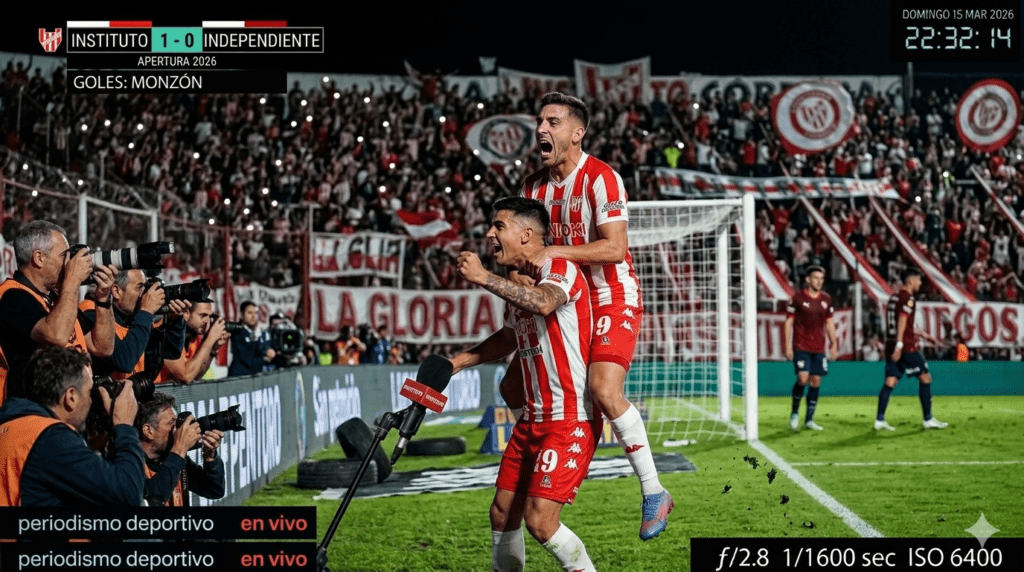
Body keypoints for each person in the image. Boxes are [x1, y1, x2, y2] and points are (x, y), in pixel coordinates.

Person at [514, 92, 671, 540]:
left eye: (553, 122)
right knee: (519, 390)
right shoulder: (531, 189)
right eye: (540, 121)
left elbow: (615, 248)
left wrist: (553, 252)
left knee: (603, 389)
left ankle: (654, 491)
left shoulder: (602, 178)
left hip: (609, 295)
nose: (542, 129)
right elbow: (524, 250)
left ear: (577, 132)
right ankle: (540, 475)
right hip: (562, 301)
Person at [450, 197, 600, 572]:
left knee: (541, 521)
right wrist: (459, 362)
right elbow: (508, 337)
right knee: (502, 514)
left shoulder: (560, 267)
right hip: (532, 421)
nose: (490, 234)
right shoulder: (517, 286)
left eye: (499, 226)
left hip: (569, 418)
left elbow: (545, 303)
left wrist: (484, 277)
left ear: (526, 234)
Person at [0, 346, 144, 506]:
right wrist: (124, 426)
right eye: (89, 392)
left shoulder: (14, 423)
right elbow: (128, 495)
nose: (91, 400)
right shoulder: (50, 439)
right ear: (71, 397)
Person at [0, 220, 118, 402]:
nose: (69, 263)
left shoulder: (56, 299)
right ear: (39, 258)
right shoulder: (11, 295)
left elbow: (103, 347)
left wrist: (103, 300)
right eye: (64, 255)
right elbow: (57, 335)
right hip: (33, 410)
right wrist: (72, 281)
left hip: (69, 405)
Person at [80, 269, 190, 379]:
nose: (145, 294)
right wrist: (145, 312)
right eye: (139, 287)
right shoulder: (91, 311)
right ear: (116, 291)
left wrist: (174, 321)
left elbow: (169, 354)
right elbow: (123, 361)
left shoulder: (132, 316)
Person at [875, 268, 948, 431]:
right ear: (910, 280)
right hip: (905, 346)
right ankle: (928, 419)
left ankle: (879, 420)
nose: (920, 283)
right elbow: (902, 321)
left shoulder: (894, 297)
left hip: (891, 344)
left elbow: (905, 324)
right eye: (918, 279)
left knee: (890, 381)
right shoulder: (908, 298)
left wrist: (926, 335)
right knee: (926, 378)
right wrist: (900, 346)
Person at [135, 392, 225, 506]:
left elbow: (214, 490)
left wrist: (209, 457)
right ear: (149, 431)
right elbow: (152, 498)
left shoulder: (171, 457)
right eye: (171, 423)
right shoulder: (130, 462)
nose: (178, 430)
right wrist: (179, 449)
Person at [783, 265, 838, 431]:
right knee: (802, 378)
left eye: (821, 279)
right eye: (816, 278)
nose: (819, 281)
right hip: (801, 345)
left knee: (816, 380)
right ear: (808, 280)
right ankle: (794, 414)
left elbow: (829, 323)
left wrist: (834, 343)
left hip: (819, 347)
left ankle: (809, 420)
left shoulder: (826, 299)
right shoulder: (797, 298)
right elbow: (789, 322)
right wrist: (787, 345)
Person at [157, 302, 229, 384]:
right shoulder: (169, 334)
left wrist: (213, 349)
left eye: (209, 316)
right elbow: (187, 376)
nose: (207, 321)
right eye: (202, 315)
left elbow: (196, 375)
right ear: (186, 314)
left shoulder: (193, 337)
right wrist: (210, 339)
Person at [228, 301, 274, 376]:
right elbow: (247, 355)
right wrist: (265, 351)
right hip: (239, 378)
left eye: (256, 313)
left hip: (254, 378)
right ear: (242, 315)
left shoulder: (260, 332)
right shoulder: (237, 332)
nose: (253, 316)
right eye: (249, 313)